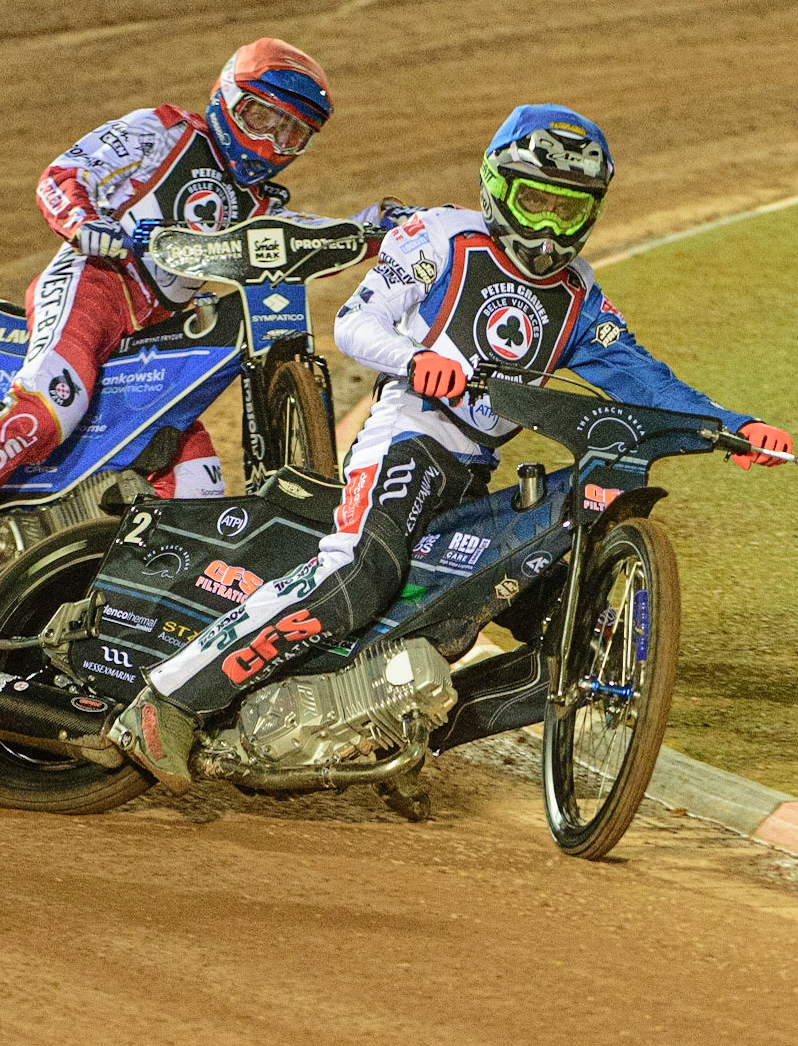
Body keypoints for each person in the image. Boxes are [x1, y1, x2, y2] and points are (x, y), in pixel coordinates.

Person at [108, 103, 794, 792]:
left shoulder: (580, 295)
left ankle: (384, 734)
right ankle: (168, 701)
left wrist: (735, 425)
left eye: (567, 210)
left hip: (472, 469)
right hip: (406, 435)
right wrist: (414, 360)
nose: (547, 226)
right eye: (534, 201)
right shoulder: (440, 234)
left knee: (553, 627)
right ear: (497, 187)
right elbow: (355, 323)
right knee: (361, 572)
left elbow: (644, 379)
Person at [0, 37, 407, 612]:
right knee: (52, 403)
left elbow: (299, 244)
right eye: (260, 118)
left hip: (157, 330)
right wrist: (85, 223)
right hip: (95, 283)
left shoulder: (260, 204)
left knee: (197, 480)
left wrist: (380, 229)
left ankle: (133, 615)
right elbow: (64, 173)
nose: (271, 142)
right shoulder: (162, 132)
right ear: (226, 98)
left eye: (292, 133)